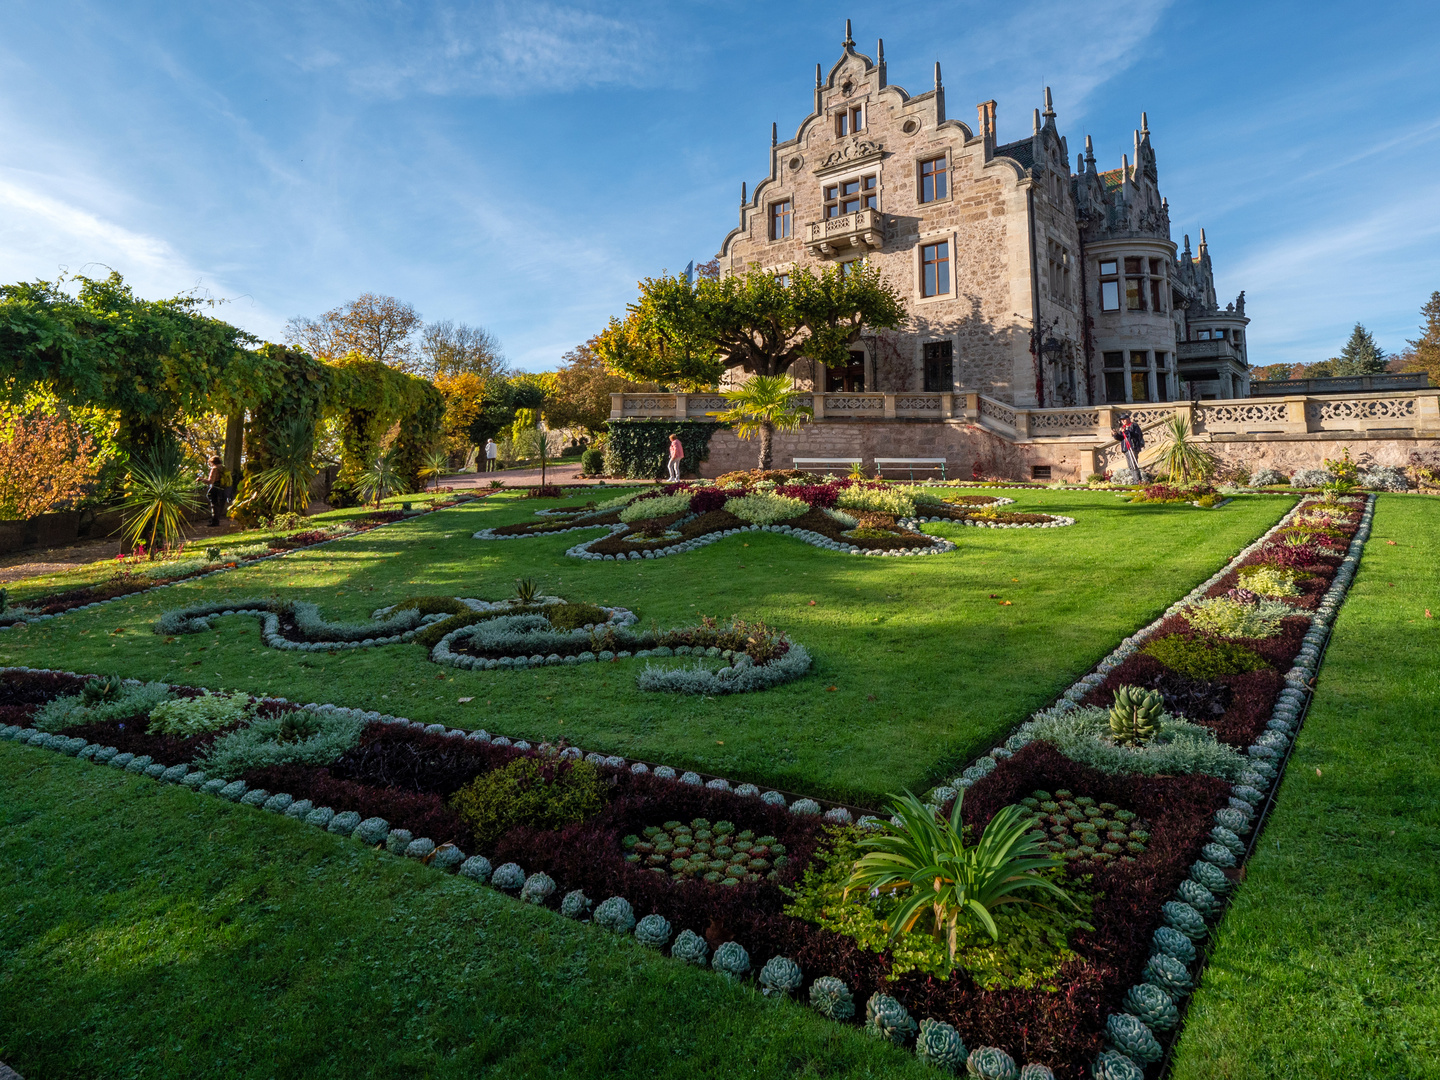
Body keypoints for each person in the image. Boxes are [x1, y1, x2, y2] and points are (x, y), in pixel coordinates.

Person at [197, 455, 225, 526]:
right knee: (220, 504)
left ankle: (215, 521)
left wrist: (201, 479)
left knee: (214, 504)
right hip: (223, 488)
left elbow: (211, 481)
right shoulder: (223, 468)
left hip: (215, 488)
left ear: (213, 462)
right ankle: (216, 519)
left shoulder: (215, 469)